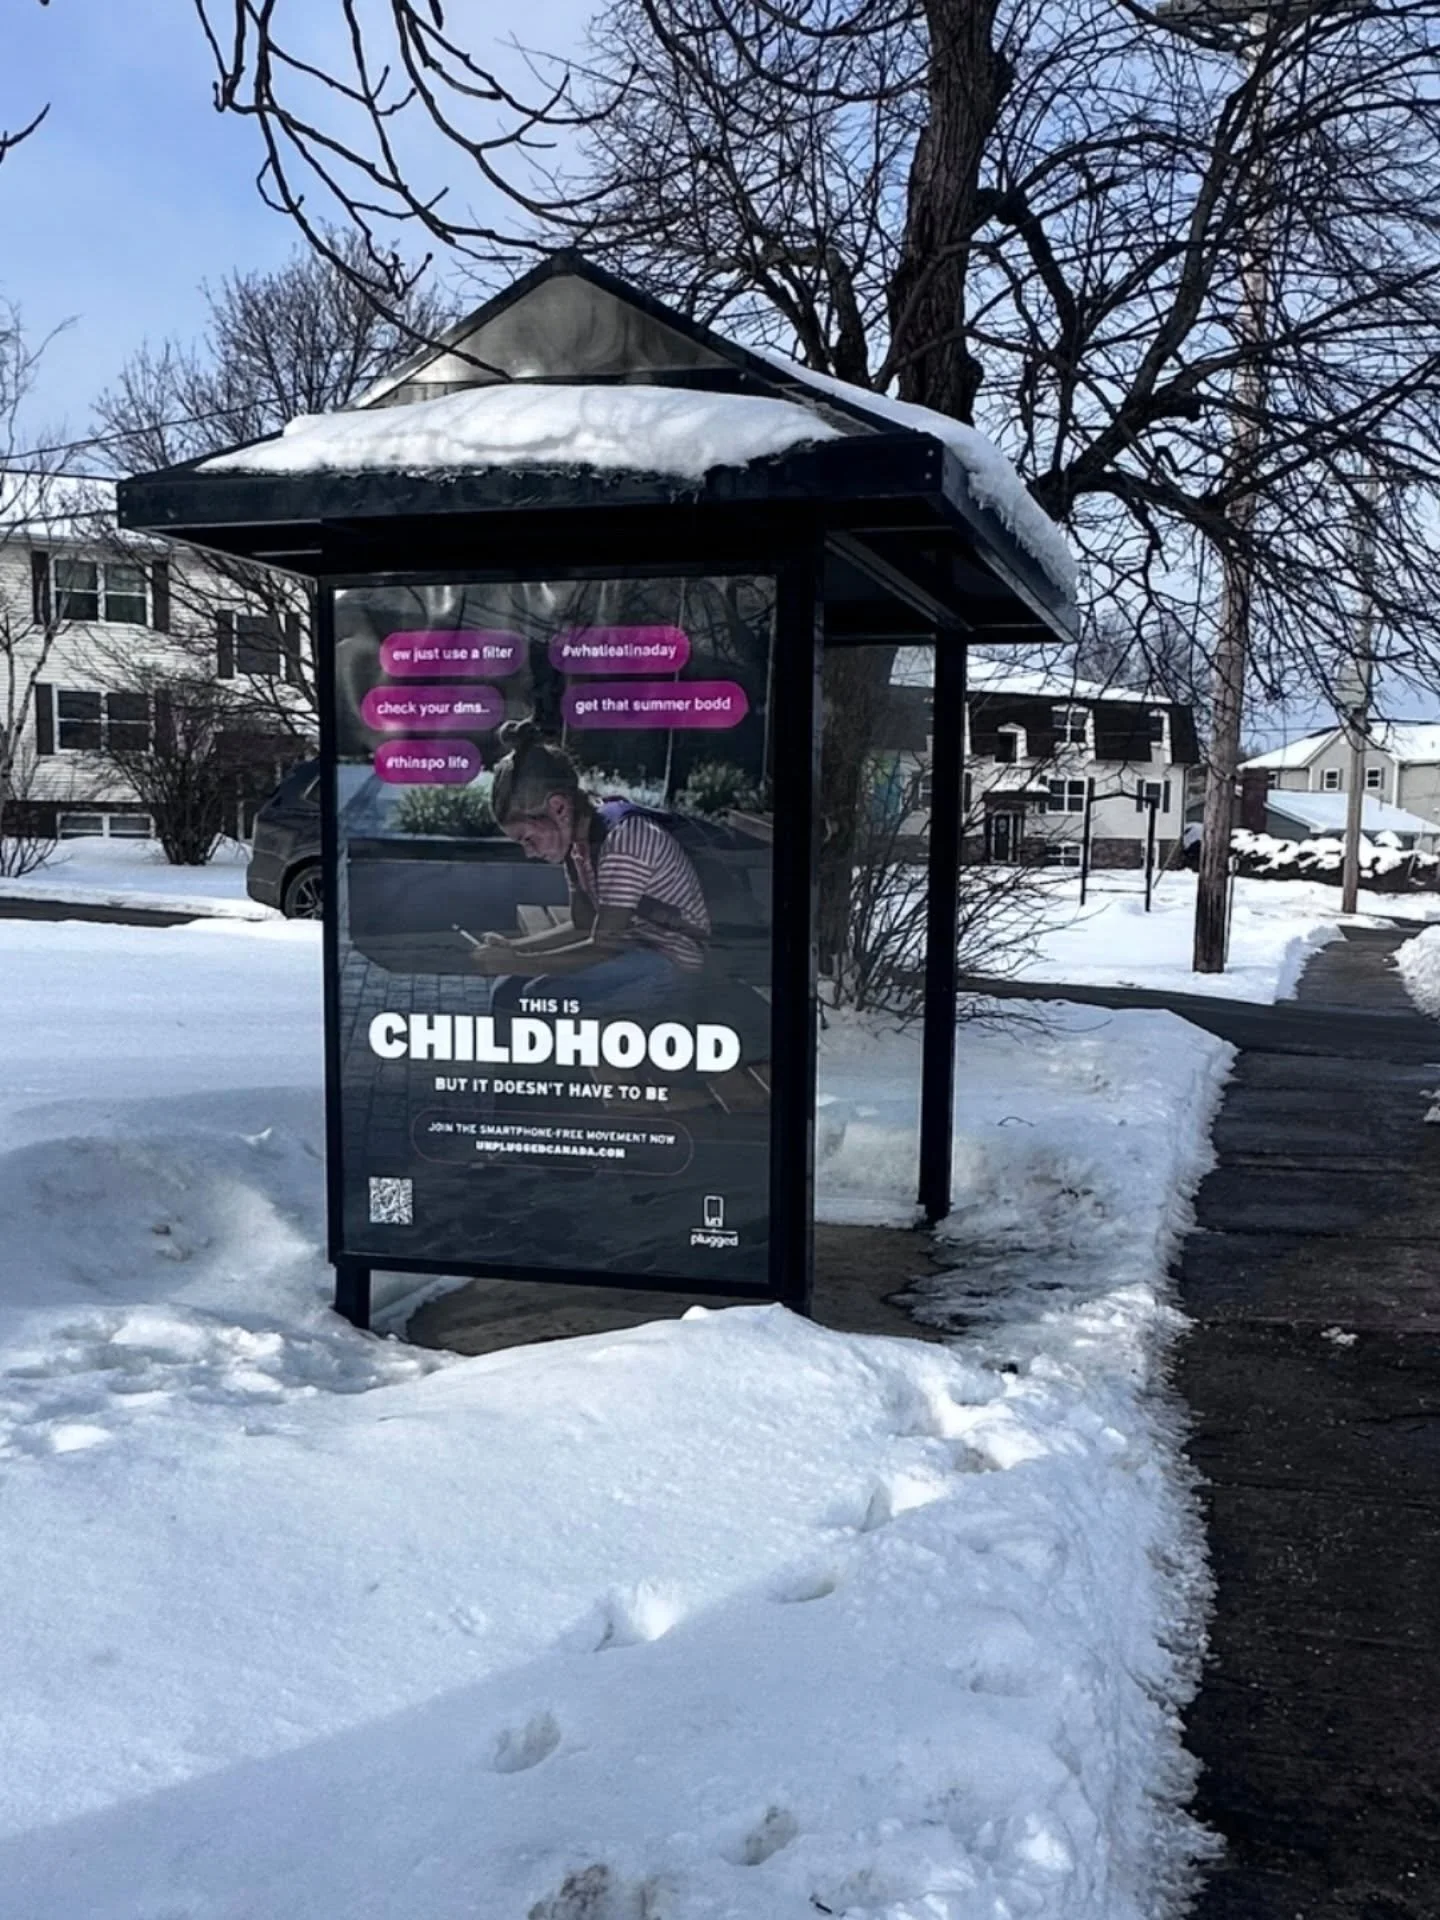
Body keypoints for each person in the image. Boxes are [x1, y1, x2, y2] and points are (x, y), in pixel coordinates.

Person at [467, 720, 710, 1015]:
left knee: (537, 999)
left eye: (528, 839)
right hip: (632, 947)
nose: (529, 853)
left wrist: (520, 962)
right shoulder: (577, 841)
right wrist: (515, 947)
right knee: (506, 990)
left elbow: (603, 945)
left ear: (558, 807)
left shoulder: (622, 841)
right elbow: (584, 924)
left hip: (673, 961)